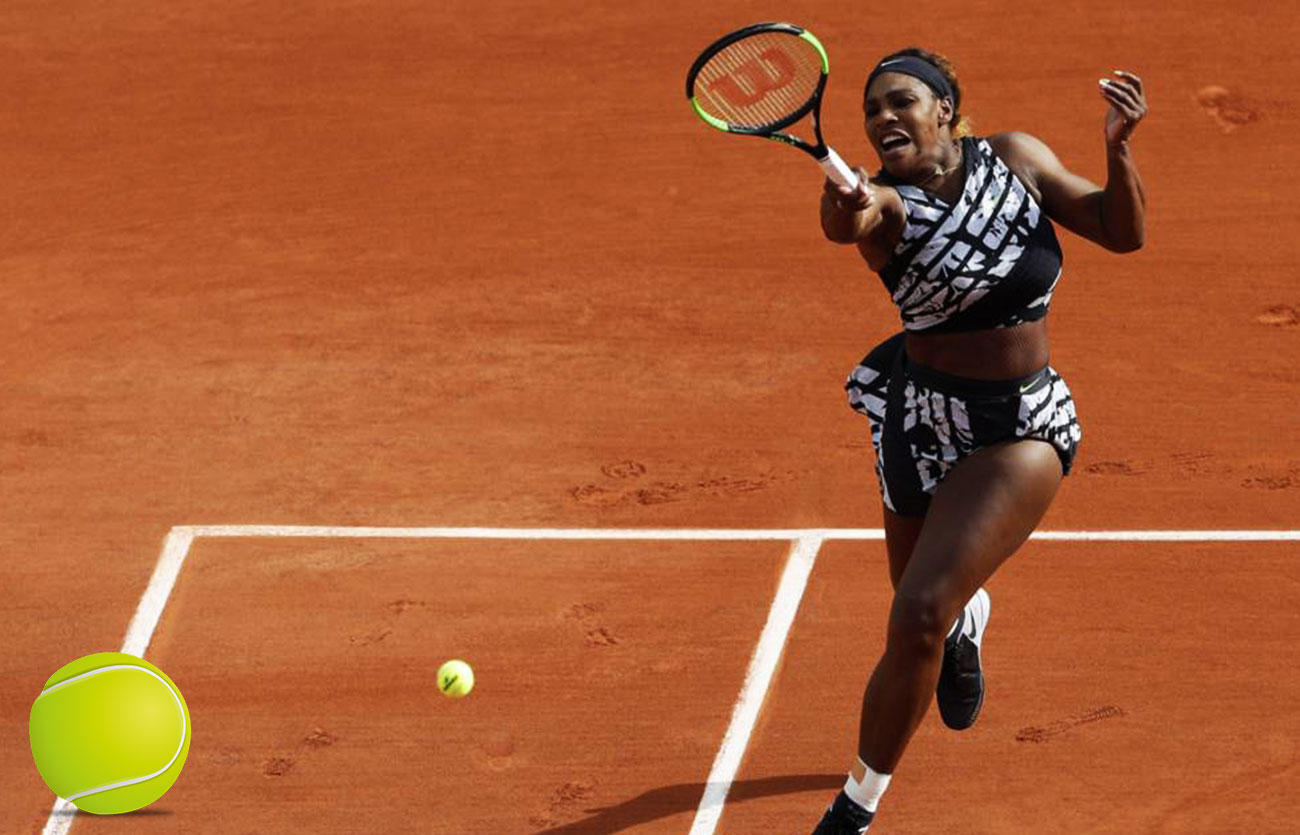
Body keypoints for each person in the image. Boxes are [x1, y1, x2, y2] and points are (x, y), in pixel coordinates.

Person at [811, 48, 1147, 833]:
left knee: (918, 610)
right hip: (919, 419)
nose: (884, 117)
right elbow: (849, 224)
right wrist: (845, 201)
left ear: (948, 112)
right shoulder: (885, 202)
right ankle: (969, 626)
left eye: (902, 101)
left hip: (1020, 424)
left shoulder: (1017, 159)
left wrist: (1119, 146)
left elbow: (1120, 231)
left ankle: (854, 809)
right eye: (872, 110)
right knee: (924, 606)